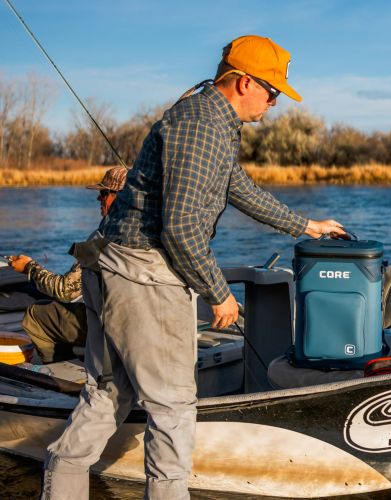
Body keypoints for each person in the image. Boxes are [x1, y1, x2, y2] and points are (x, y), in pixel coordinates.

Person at [41, 35, 348, 500]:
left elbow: (238, 187)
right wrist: (218, 292)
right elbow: (181, 229)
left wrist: (305, 224)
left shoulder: (213, 120)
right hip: (144, 274)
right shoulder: (203, 125)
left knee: (109, 393)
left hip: (116, 266)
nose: (275, 101)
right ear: (244, 81)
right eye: (273, 90)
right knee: (173, 409)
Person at [8, 166, 127, 363]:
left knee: (36, 314)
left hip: (110, 329)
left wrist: (29, 267)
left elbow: (65, 290)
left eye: (104, 193)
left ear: (121, 198)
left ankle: (59, 369)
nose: (99, 198)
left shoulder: (103, 239)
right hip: (135, 323)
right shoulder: (147, 233)